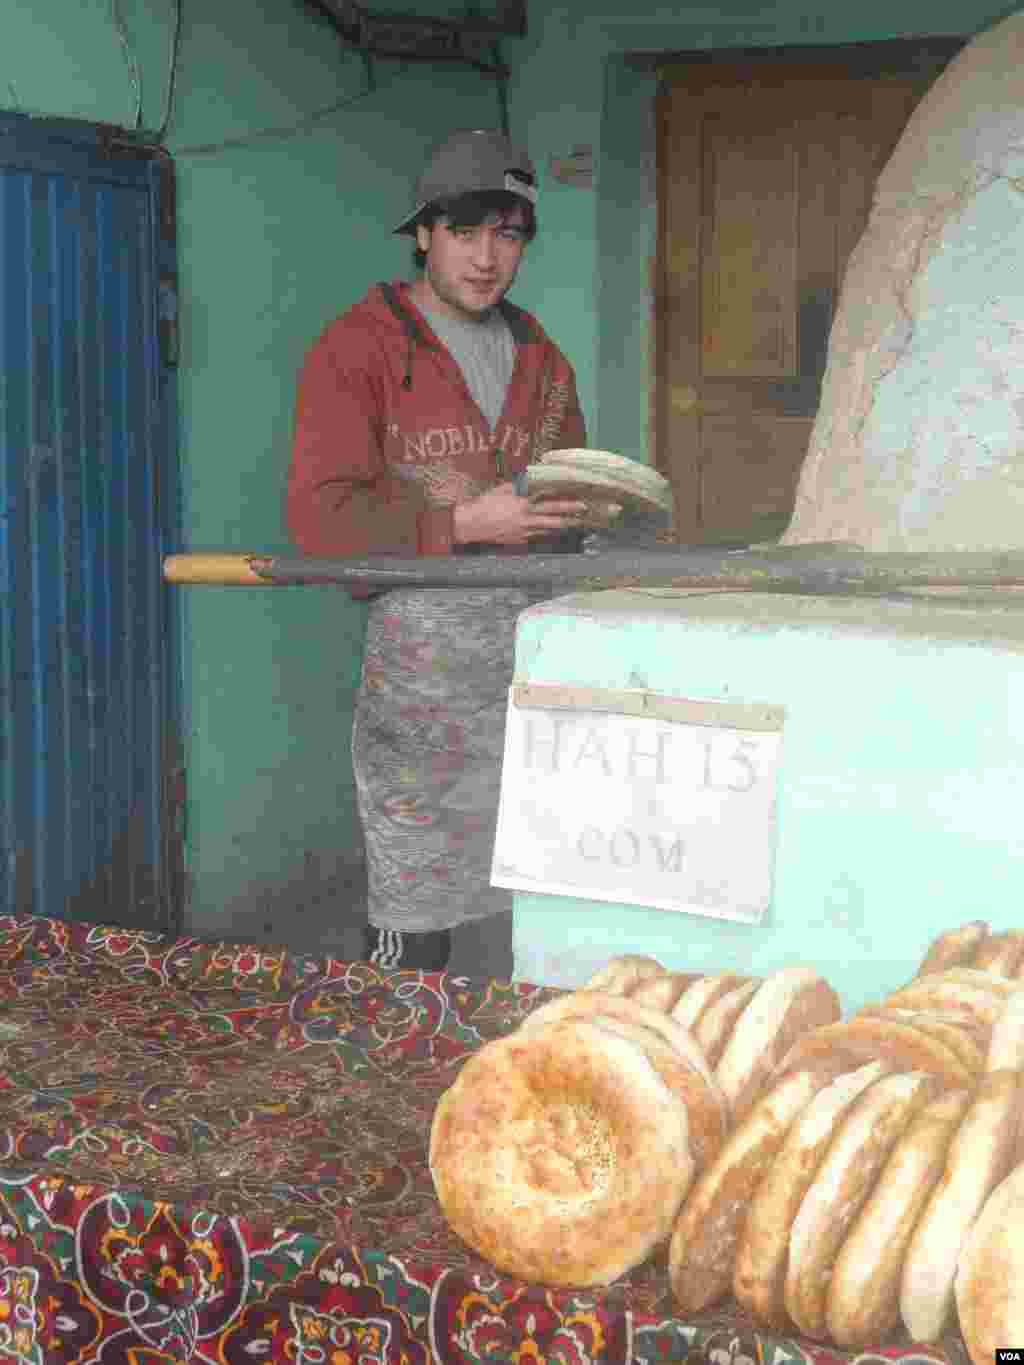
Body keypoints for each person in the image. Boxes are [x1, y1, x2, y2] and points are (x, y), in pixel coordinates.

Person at [286, 128, 589, 973]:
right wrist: (460, 526)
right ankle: (391, 1083)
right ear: (423, 233)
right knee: (413, 929)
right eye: (464, 232)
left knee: (545, 915)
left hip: (535, 676)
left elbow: (567, 498)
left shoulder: (542, 357)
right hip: (424, 694)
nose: (487, 258)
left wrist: (598, 514)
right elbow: (319, 520)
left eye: (508, 233)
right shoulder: (359, 348)